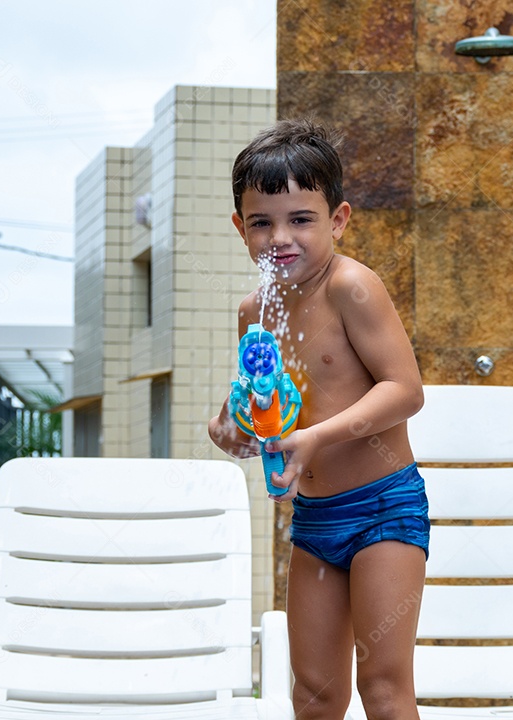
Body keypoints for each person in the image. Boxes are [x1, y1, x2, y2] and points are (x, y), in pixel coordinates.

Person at [208, 119, 428, 720]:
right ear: (240, 227)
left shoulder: (352, 287)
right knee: (314, 694)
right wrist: (233, 425)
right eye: (262, 222)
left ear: (338, 219)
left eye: (301, 219)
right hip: (314, 518)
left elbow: (405, 391)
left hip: (383, 508)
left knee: (382, 689)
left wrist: (315, 436)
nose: (280, 237)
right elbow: (261, 396)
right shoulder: (257, 309)